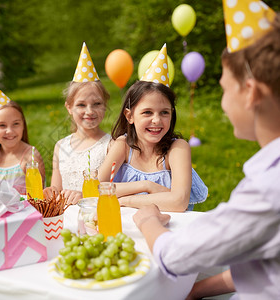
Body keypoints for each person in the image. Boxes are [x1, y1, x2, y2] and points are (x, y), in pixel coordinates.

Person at [133, 3, 280, 299]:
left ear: (250, 92)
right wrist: (198, 291)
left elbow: (175, 255)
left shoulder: (269, 188)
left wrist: (147, 219)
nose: (224, 103)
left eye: (225, 89)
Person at [98, 44, 207, 212]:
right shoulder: (123, 146)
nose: (156, 120)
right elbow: (97, 188)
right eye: (147, 112)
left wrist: (125, 200)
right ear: (130, 116)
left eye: (164, 112)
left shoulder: (177, 149)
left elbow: (178, 202)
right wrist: (147, 186)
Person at [49, 42, 112, 204]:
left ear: (105, 105)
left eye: (97, 104)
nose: (89, 111)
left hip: (96, 212)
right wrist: (50, 191)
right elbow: (56, 188)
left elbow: (113, 187)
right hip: (66, 214)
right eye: (81, 105)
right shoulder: (60, 146)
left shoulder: (111, 144)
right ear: (69, 107)